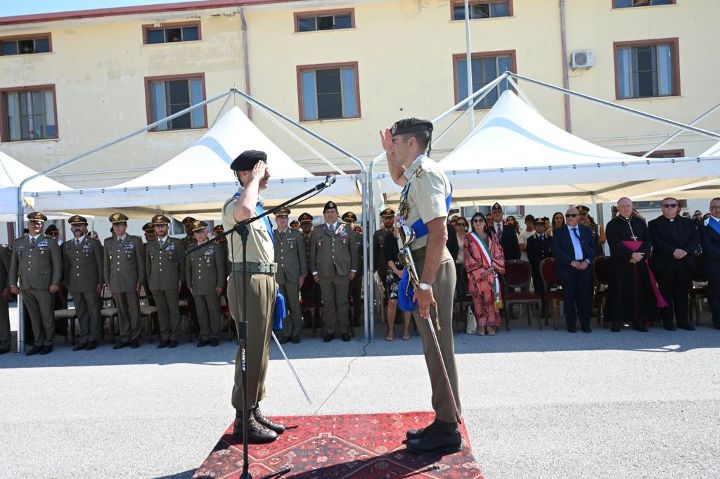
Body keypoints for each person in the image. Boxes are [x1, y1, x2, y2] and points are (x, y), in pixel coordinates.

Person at [380, 117, 461, 454]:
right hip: (424, 268)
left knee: (439, 347)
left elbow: (439, 230)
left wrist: (425, 283)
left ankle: (448, 427)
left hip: (432, 268)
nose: (393, 145)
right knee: (433, 348)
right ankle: (444, 418)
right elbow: (397, 177)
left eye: (395, 142)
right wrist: (387, 154)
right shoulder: (415, 173)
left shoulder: (425, 174)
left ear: (411, 142)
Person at [224, 150, 285, 444]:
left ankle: (254, 406)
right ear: (245, 174)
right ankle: (242, 418)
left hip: (263, 278)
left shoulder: (259, 205)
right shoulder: (235, 205)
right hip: (246, 280)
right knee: (249, 349)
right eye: (261, 169)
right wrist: (254, 180)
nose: (268, 174)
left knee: (261, 350)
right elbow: (243, 213)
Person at [8, 212, 62, 355]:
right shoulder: (19, 243)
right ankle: (38, 342)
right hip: (26, 285)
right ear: (28, 224)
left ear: (42, 225)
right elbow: (14, 265)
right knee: (34, 317)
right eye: (33, 223)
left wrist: (55, 282)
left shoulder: (50, 242)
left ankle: (48, 342)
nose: (36, 226)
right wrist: (13, 283)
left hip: (44, 285)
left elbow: (57, 265)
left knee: (47, 316)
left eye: (39, 223)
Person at [605, 198, 658, 332]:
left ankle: (638, 320)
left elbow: (648, 241)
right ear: (618, 208)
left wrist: (640, 255)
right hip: (621, 263)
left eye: (628, 206)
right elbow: (614, 244)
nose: (626, 208)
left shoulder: (640, 222)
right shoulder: (612, 224)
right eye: (622, 206)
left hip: (639, 263)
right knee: (619, 291)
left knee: (638, 291)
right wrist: (631, 255)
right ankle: (617, 321)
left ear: (632, 206)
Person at [647, 197, 700, 331]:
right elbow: (656, 241)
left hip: (684, 263)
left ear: (678, 207)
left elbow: (695, 239)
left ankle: (683, 321)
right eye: (666, 205)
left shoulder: (688, 222)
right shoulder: (654, 224)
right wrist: (673, 251)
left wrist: (685, 251)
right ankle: (668, 322)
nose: (669, 208)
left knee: (682, 293)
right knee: (666, 293)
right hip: (664, 263)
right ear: (661, 208)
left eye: (672, 205)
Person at [310, 201, 358, 342]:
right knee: (328, 302)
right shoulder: (317, 230)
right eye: (328, 212)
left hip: (343, 272)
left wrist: (354, 268)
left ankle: (344, 330)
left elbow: (353, 251)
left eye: (333, 212)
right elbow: (313, 253)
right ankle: (329, 330)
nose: (330, 214)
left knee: (343, 302)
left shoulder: (347, 228)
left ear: (337, 214)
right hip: (324, 273)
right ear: (324, 215)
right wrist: (314, 272)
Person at [104, 212, 145, 349]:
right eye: (115, 225)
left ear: (126, 226)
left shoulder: (135, 241)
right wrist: (108, 282)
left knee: (134, 310)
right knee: (121, 311)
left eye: (120, 225)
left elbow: (140, 264)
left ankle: (135, 337)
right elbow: (106, 265)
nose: (117, 228)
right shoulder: (108, 242)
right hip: (115, 282)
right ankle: (125, 336)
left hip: (131, 282)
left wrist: (140, 281)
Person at [63, 215, 104, 351]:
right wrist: (67, 282)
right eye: (75, 226)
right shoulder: (68, 245)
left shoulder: (93, 243)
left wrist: (100, 281)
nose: (77, 228)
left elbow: (100, 264)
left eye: (80, 225)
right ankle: (84, 338)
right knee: (81, 312)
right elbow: (66, 265)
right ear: (71, 228)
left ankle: (93, 338)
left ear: (85, 227)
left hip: (91, 283)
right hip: (75, 283)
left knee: (93, 311)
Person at [552, 208, 596, 333]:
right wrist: (571, 261)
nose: (570, 217)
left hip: (584, 268)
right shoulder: (559, 232)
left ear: (578, 217)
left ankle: (585, 325)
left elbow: (594, 249)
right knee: (569, 298)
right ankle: (571, 325)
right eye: (568, 215)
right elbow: (557, 250)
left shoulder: (586, 231)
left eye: (573, 215)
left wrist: (586, 262)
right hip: (568, 269)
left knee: (585, 297)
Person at [146, 214, 184, 348]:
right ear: (155, 229)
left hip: (171, 281)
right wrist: (150, 281)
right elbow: (148, 266)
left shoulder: (176, 243)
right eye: (157, 226)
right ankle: (165, 336)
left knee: (173, 310)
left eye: (162, 226)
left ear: (167, 227)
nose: (160, 229)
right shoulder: (150, 245)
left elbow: (182, 263)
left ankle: (174, 336)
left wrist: (180, 280)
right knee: (161, 311)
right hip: (156, 282)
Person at [185, 220, 225, 347]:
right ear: (194, 235)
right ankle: (205, 335)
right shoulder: (191, 249)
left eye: (201, 232)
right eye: (197, 233)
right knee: (201, 312)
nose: (200, 235)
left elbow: (220, 268)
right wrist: (189, 284)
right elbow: (188, 269)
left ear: (206, 232)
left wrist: (220, 284)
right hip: (197, 285)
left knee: (213, 311)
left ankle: (215, 335)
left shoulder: (215, 247)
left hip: (211, 284)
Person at [464, 212, 505, 335]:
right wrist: (481, 271)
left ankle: (490, 324)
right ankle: (481, 324)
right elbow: (467, 257)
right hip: (476, 276)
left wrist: (491, 268)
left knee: (491, 300)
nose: (478, 223)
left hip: (492, 273)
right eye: (475, 221)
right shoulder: (469, 238)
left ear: (485, 222)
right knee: (478, 300)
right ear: (472, 223)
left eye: (480, 220)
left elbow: (499, 253)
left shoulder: (492, 236)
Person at [273, 207, 307, 344]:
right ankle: (286, 333)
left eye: (285, 217)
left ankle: (296, 332)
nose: (282, 220)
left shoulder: (296, 235)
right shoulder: (271, 235)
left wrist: (303, 275)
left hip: (293, 275)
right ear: (275, 219)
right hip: (277, 276)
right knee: (282, 305)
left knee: (294, 305)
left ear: (287, 219)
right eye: (280, 217)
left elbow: (302, 256)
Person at [383, 224, 413, 341]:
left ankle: (406, 330)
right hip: (393, 271)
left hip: (408, 272)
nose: (398, 226)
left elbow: (412, 256)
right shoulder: (389, 237)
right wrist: (396, 271)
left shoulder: (409, 237)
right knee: (392, 302)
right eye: (397, 224)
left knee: (406, 301)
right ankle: (390, 330)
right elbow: (388, 257)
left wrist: (405, 272)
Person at [700, 198, 720, 330]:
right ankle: (718, 321)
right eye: (713, 207)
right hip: (714, 265)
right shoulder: (704, 225)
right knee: (715, 294)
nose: (717, 209)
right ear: (709, 209)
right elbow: (707, 246)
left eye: (719, 207)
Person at [342, 211, 364, 328]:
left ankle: (356, 318)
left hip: (357, 272)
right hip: (343, 272)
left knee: (356, 297)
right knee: (345, 297)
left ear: (354, 223)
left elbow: (366, 255)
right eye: (346, 222)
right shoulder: (340, 236)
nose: (348, 224)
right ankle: (347, 319)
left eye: (350, 222)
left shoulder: (361, 237)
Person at [526, 217, 553, 301]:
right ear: (534, 227)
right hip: (536, 268)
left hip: (548, 268)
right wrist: (539, 265)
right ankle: (540, 306)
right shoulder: (530, 240)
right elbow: (530, 255)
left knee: (549, 288)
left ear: (545, 226)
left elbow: (551, 254)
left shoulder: (550, 238)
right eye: (537, 225)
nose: (539, 227)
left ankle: (548, 306)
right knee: (538, 288)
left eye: (541, 225)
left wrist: (546, 265)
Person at [452, 216, 469, 304]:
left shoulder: (469, 237)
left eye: (463, 224)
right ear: (456, 226)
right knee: (460, 288)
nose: (461, 226)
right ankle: (461, 310)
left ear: (466, 225)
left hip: (468, 267)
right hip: (457, 266)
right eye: (459, 224)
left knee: (468, 288)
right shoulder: (452, 237)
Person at [0, 244, 12, 354]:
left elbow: (10, 270)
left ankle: (4, 343)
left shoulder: (2, 250)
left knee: (2, 318)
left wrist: (8, 287)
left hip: (1, 289)